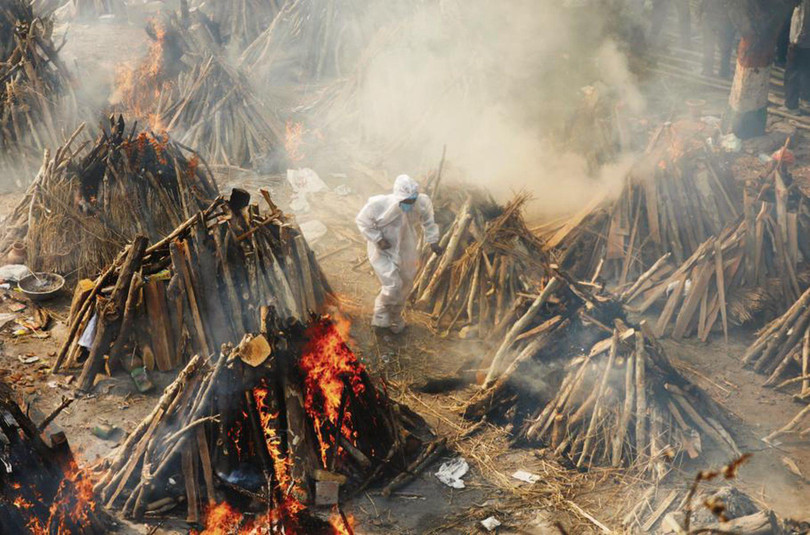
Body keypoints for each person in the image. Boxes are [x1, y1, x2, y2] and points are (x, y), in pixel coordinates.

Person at [356, 175, 441, 334]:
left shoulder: (422, 203)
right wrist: (378, 239)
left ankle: (395, 317)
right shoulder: (378, 204)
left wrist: (433, 240)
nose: (408, 204)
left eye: (411, 201)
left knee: (406, 282)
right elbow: (362, 221)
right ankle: (380, 319)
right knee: (392, 283)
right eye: (405, 201)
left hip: (406, 246)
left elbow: (429, 222)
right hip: (382, 249)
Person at [698, 0, 735, 78]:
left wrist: (699, 15)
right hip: (724, 19)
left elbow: (701, 2)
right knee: (725, 48)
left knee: (708, 46)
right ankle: (724, 72)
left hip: (710, 17)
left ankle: (707, 70)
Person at [785, 0, 810, 113]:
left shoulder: (805, 3)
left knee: (792, 74)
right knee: (805, 72)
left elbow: (803, 22)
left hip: (801, 43)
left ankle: (792, 105)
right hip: (806, 43)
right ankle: (805, 99)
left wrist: (795, 42)